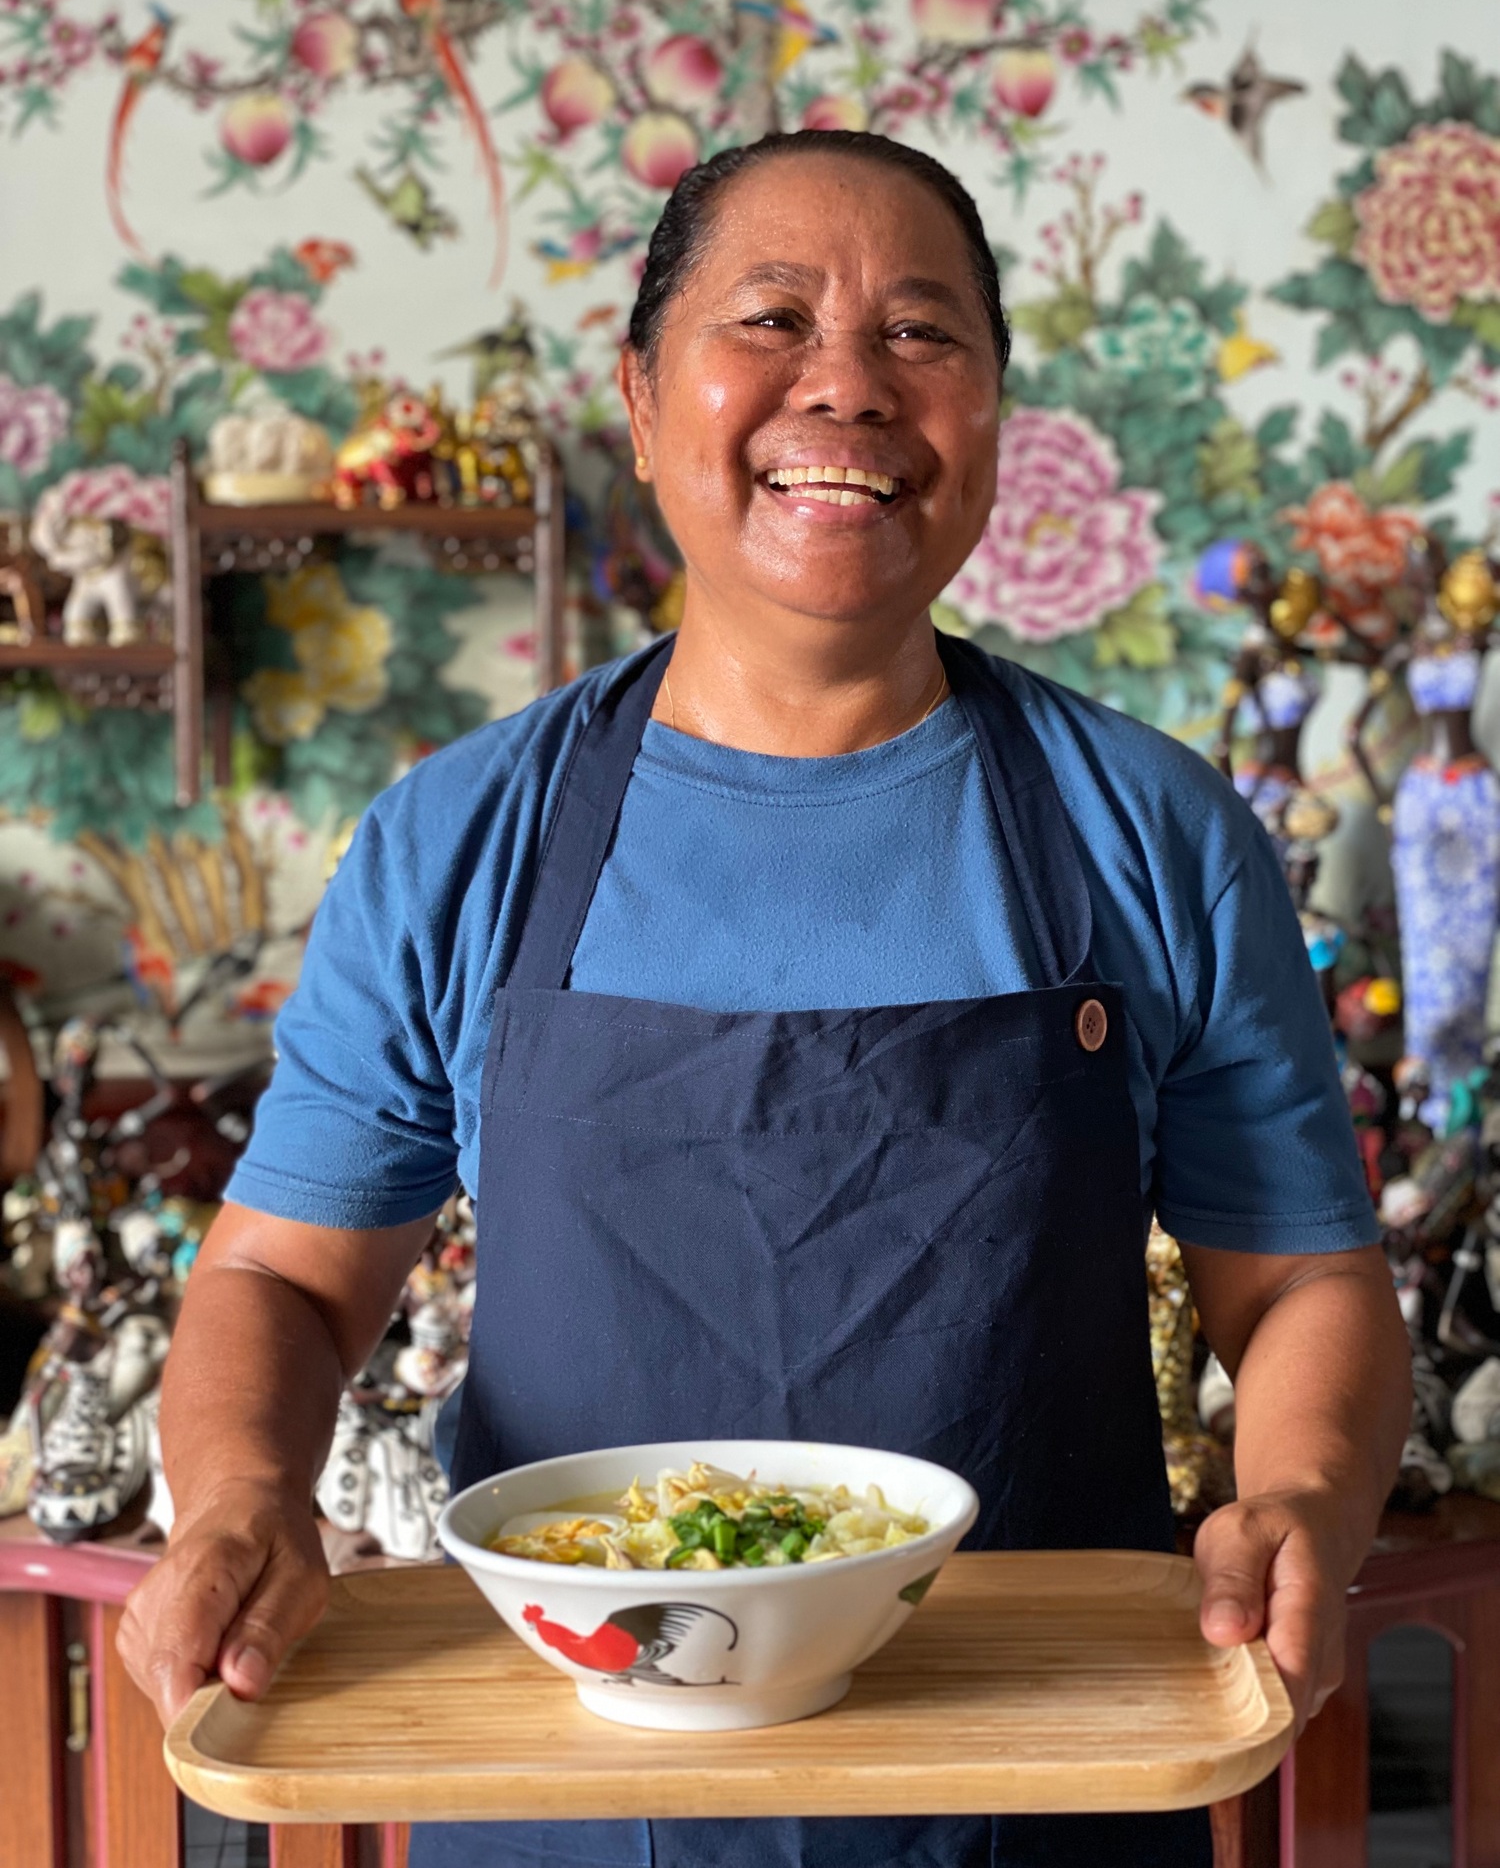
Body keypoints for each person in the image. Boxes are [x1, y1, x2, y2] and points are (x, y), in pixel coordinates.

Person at [120, 131, 1410, 1868]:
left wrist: (1303, 1496)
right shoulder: (462, 838)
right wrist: (243, 1498)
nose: (850, 386)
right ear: (643, 396)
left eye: (922, 334)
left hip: (1040, 1773)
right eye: (774, 319)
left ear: (996, 413)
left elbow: (1304, 1274)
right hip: (569, 1793)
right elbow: (280, 1275)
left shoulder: (1155, 831)